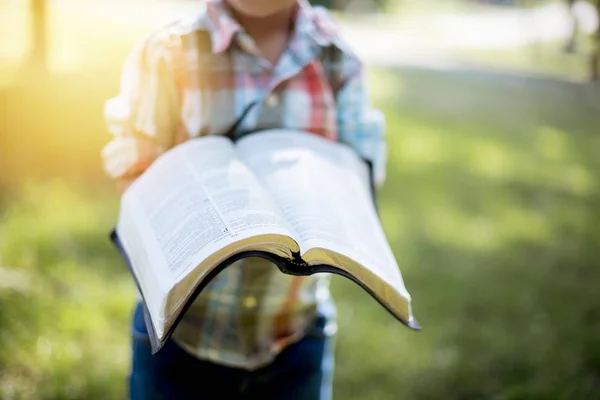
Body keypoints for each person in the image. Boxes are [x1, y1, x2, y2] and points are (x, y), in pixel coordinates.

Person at [100, 0, 387, 398]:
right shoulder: (170, 51)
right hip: (182, 333)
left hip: (295, 328)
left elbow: (359, 168)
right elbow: (135, 172)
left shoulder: (337, 57)